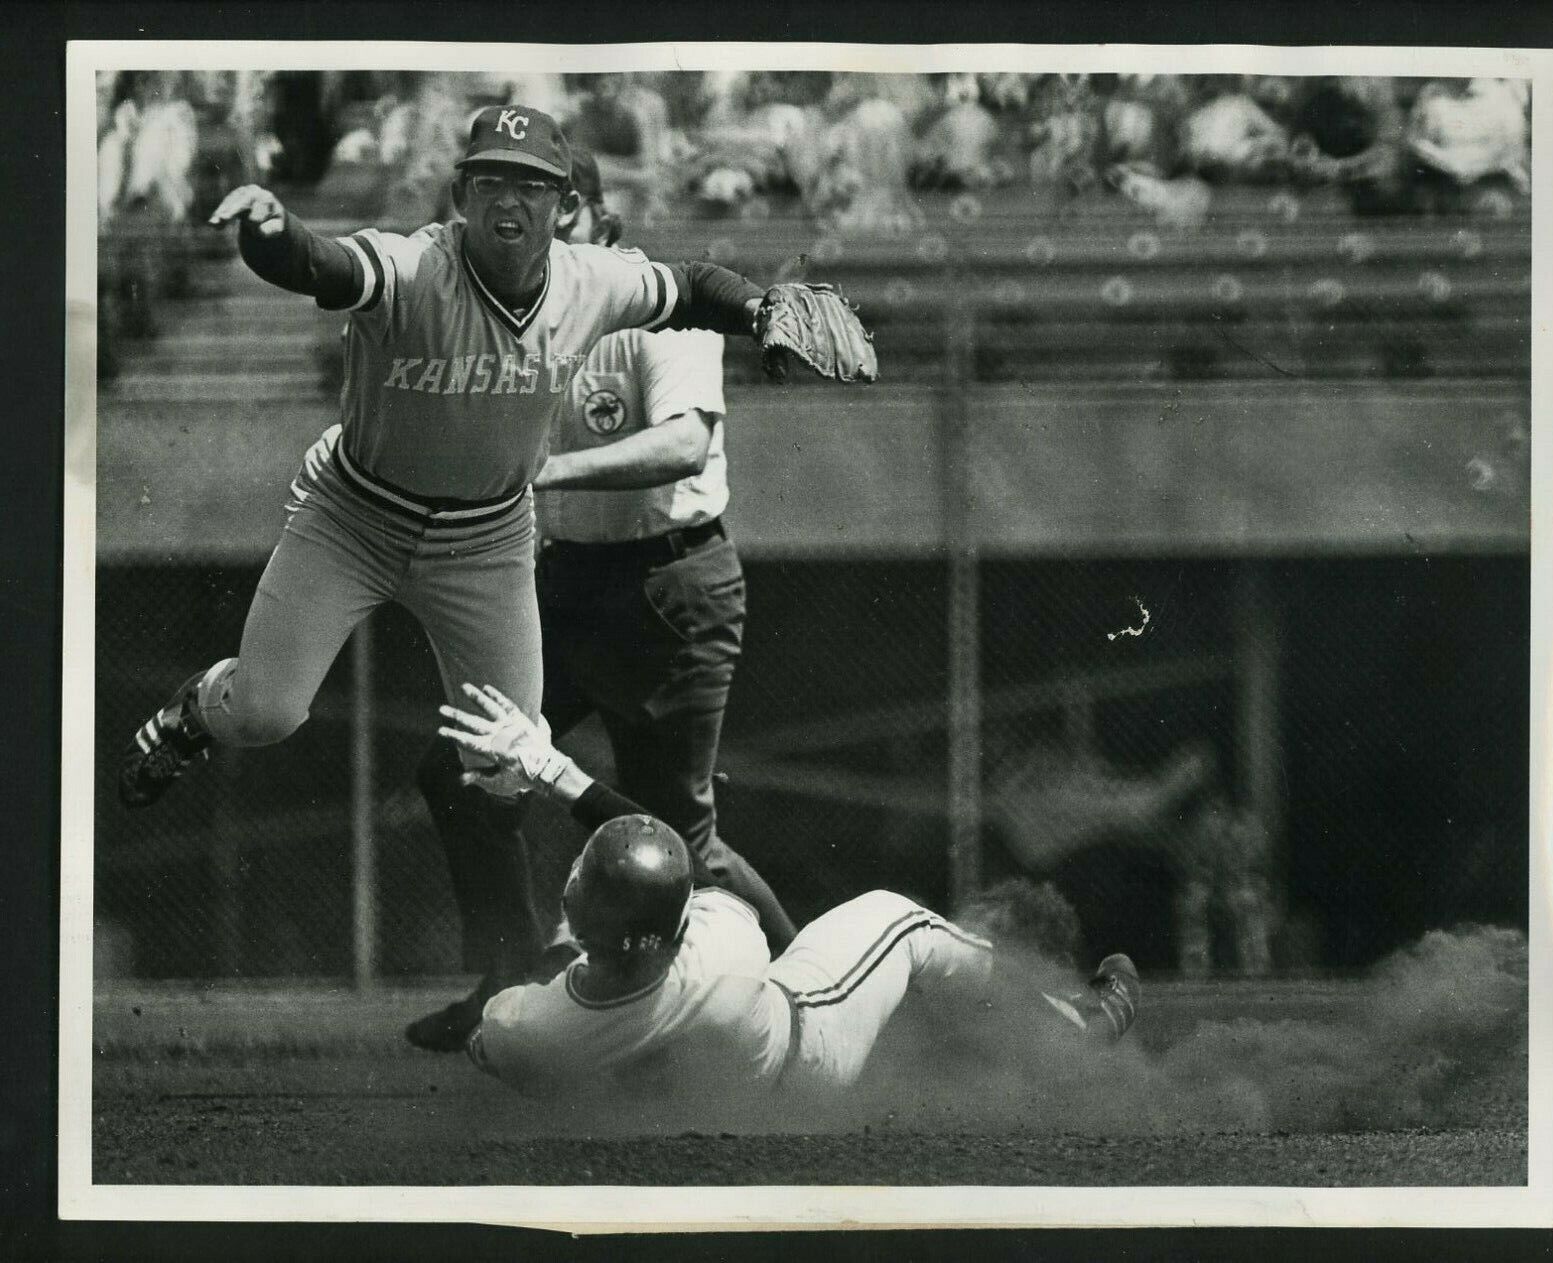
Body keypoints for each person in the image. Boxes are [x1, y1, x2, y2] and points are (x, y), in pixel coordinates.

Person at [117, 105, 825, 818]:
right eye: (490, 182)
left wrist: (760, 308)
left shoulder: (591, 280)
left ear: (567, 205)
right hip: (353, 520)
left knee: (505, 764)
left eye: (532, 185)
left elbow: (694, 285)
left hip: (483, 544)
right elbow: (323, 264)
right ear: (461, 197)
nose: (509, 201)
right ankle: (195, 713)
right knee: (265, 713)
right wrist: (270, 234)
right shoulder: (418, 266)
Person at [407, 146, 797, 1053]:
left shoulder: (659, 303)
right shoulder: (513, 314)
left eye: (553, 213)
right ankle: (508, 978)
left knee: (684, 844)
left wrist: (538, 469)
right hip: (566, 576)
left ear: (596, 219)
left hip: (671, 583)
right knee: (460, 766)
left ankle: (798, 985)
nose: (537, 239)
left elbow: (679, 447)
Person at [436, 682, 1142, 1100]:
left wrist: (555, 959)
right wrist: (551, 769)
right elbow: (677, 859)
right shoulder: (720, 950)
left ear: (575, 903)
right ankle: (1079, 1029)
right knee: (899, 921)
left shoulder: (532, 1034)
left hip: (689, 1087)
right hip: (809, 1051)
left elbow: (506, 1027)